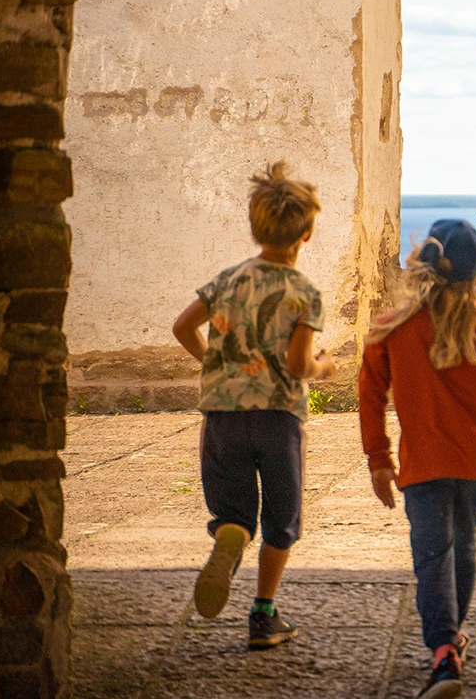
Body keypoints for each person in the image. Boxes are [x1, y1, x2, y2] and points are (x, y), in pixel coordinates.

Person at [171, 162, 335, 650]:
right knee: (281, 520)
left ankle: (232, 537)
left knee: (235, 512)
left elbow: (182, 327)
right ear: (306, 234)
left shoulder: (227, 279)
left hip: (223, 416)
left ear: (254, 226)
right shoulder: (304, 293)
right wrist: (324, 368)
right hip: (278, 418)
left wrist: (215, 367)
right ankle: (263, 614)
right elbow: (298, 362)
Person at [359, 219, 476, 699]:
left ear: (420, 265)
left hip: (422, 464)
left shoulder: (394, 327)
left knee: (432, 558)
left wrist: (380, 460)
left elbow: (369, 395)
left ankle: (444, 651)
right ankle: (452, 639)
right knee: (463, 548)